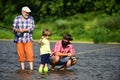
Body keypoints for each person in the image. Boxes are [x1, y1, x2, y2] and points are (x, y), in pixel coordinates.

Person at [12, 6, 35, 71]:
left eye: (28, 13)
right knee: (21, 55)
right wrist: (15, 30)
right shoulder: (16, 18)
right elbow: (13, 29)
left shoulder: (31, 18)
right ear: (22, 12)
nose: (27, 14)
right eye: (26, 12)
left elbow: (32, 28)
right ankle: (23, 69)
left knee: (30, 54)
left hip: (28, 39)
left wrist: (24, 30)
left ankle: (31, 69)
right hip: (19, 40)